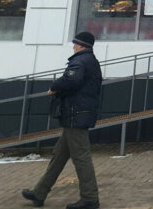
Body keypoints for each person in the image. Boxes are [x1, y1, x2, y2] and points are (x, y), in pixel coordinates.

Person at [22, 32, 102, 209]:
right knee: (59, 156)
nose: (73, 46)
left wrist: (54, 88)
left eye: (75, 43)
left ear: (80, 45)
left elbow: (71, 80)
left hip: (76, 115)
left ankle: (90, 198)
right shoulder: (89, 60)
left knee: (81, 157)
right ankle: (39, 192)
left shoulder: (81, 60)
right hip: (77, 114)